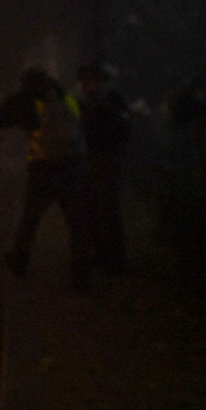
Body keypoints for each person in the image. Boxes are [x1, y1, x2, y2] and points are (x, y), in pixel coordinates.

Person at [0, 67, 90, 290]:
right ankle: (82, 275)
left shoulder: (30, 104)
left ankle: (19, 263)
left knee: (30, 220)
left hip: (45, 170)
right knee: (77, 224)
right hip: (73, 168)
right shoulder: (68, 100)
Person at [77, 63, 132, 275]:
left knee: (108, 210)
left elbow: (122, 126)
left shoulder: (110, 100)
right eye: (86, 81)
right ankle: (101, 255)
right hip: (91, 158)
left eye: (92, 81)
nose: (88, 85)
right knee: (91, 209)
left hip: (106, 159)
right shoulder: (86, 102)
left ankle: (116, 260)